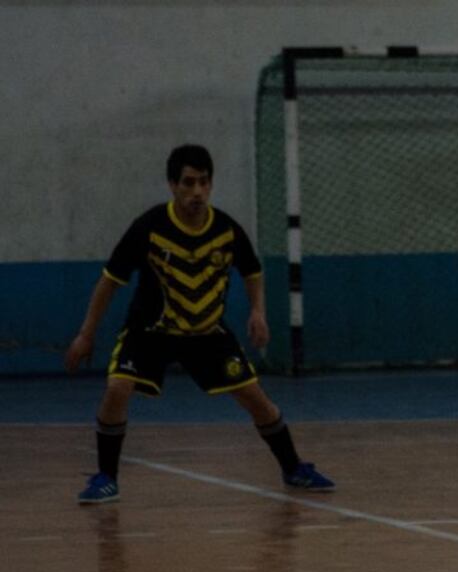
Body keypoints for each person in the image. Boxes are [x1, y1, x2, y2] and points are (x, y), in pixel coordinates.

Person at [65, 144, 334, 504]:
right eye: (189, 183)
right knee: (117, 388)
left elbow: (251, 270)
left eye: (204, 182)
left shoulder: (226, 229)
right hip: (152, 332)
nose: (197, 191)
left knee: (256, 399)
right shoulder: (149, 228)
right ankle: (106, 478)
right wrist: (86, 334)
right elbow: (110, 281)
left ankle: (293, 468)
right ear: (172, 185)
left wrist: (257, 312)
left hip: (207, 334)